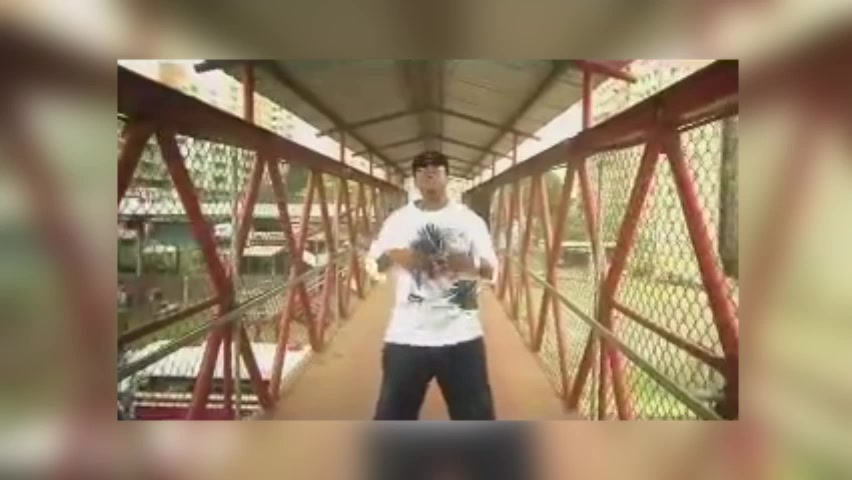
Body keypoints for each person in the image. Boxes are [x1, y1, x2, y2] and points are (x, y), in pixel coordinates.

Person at [367, 150, 499, 420]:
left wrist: (465, 262)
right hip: (407, 334)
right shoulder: (398, 220)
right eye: (421, 168)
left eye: (437, 167)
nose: (429, 172)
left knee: (477, 419)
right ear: (415, 179)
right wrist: (397, 256)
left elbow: (491, 269)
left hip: (462, 331)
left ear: (447, 176)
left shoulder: (469, 220)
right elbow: (374, 264)